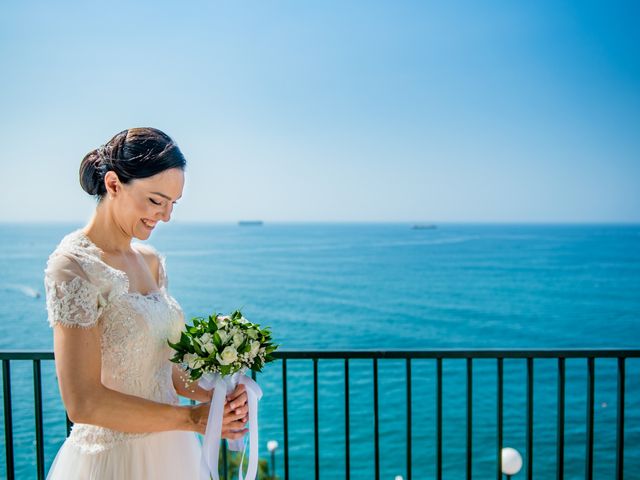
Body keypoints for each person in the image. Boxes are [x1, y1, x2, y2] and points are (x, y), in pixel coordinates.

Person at [44, 127, 248, 479]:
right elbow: (82, 402)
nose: (166, 216)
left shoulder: (152, 261)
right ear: (113, 185)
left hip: (172, 452)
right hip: (112, 460)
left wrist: (217, 400)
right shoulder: (73, 266)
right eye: (156, 201)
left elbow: (167, 373)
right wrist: (191, 420)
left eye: (173, 204)